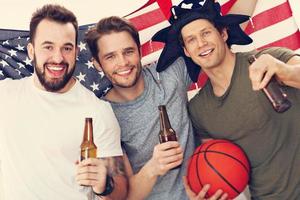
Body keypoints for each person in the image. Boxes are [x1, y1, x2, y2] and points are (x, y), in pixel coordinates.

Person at [84, 1, 256, 199]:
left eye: (128, 51)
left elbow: (217, 41)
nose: (123, 62)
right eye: (110, 57)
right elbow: (123, 197)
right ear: (97, 64)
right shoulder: (104, 115)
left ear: (139, 52)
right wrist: (153, 167)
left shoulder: (168, 76)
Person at [152, 0, 300, 199]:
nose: (201, 43)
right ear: (186, 51)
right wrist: (204, 189)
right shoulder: (199, 110)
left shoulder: (269, 59)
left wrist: (284, 71)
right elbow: (216, 165)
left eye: (206, 33)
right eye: (191, 40)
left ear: (223, 33)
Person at [0, 4, 127, 200]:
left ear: (76, 51)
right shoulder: (5, 95)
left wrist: (105, 185)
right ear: (31, 51)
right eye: (48, 47)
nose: (58, 58)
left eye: (66, 48)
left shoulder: (97, 111)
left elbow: (121, 191)